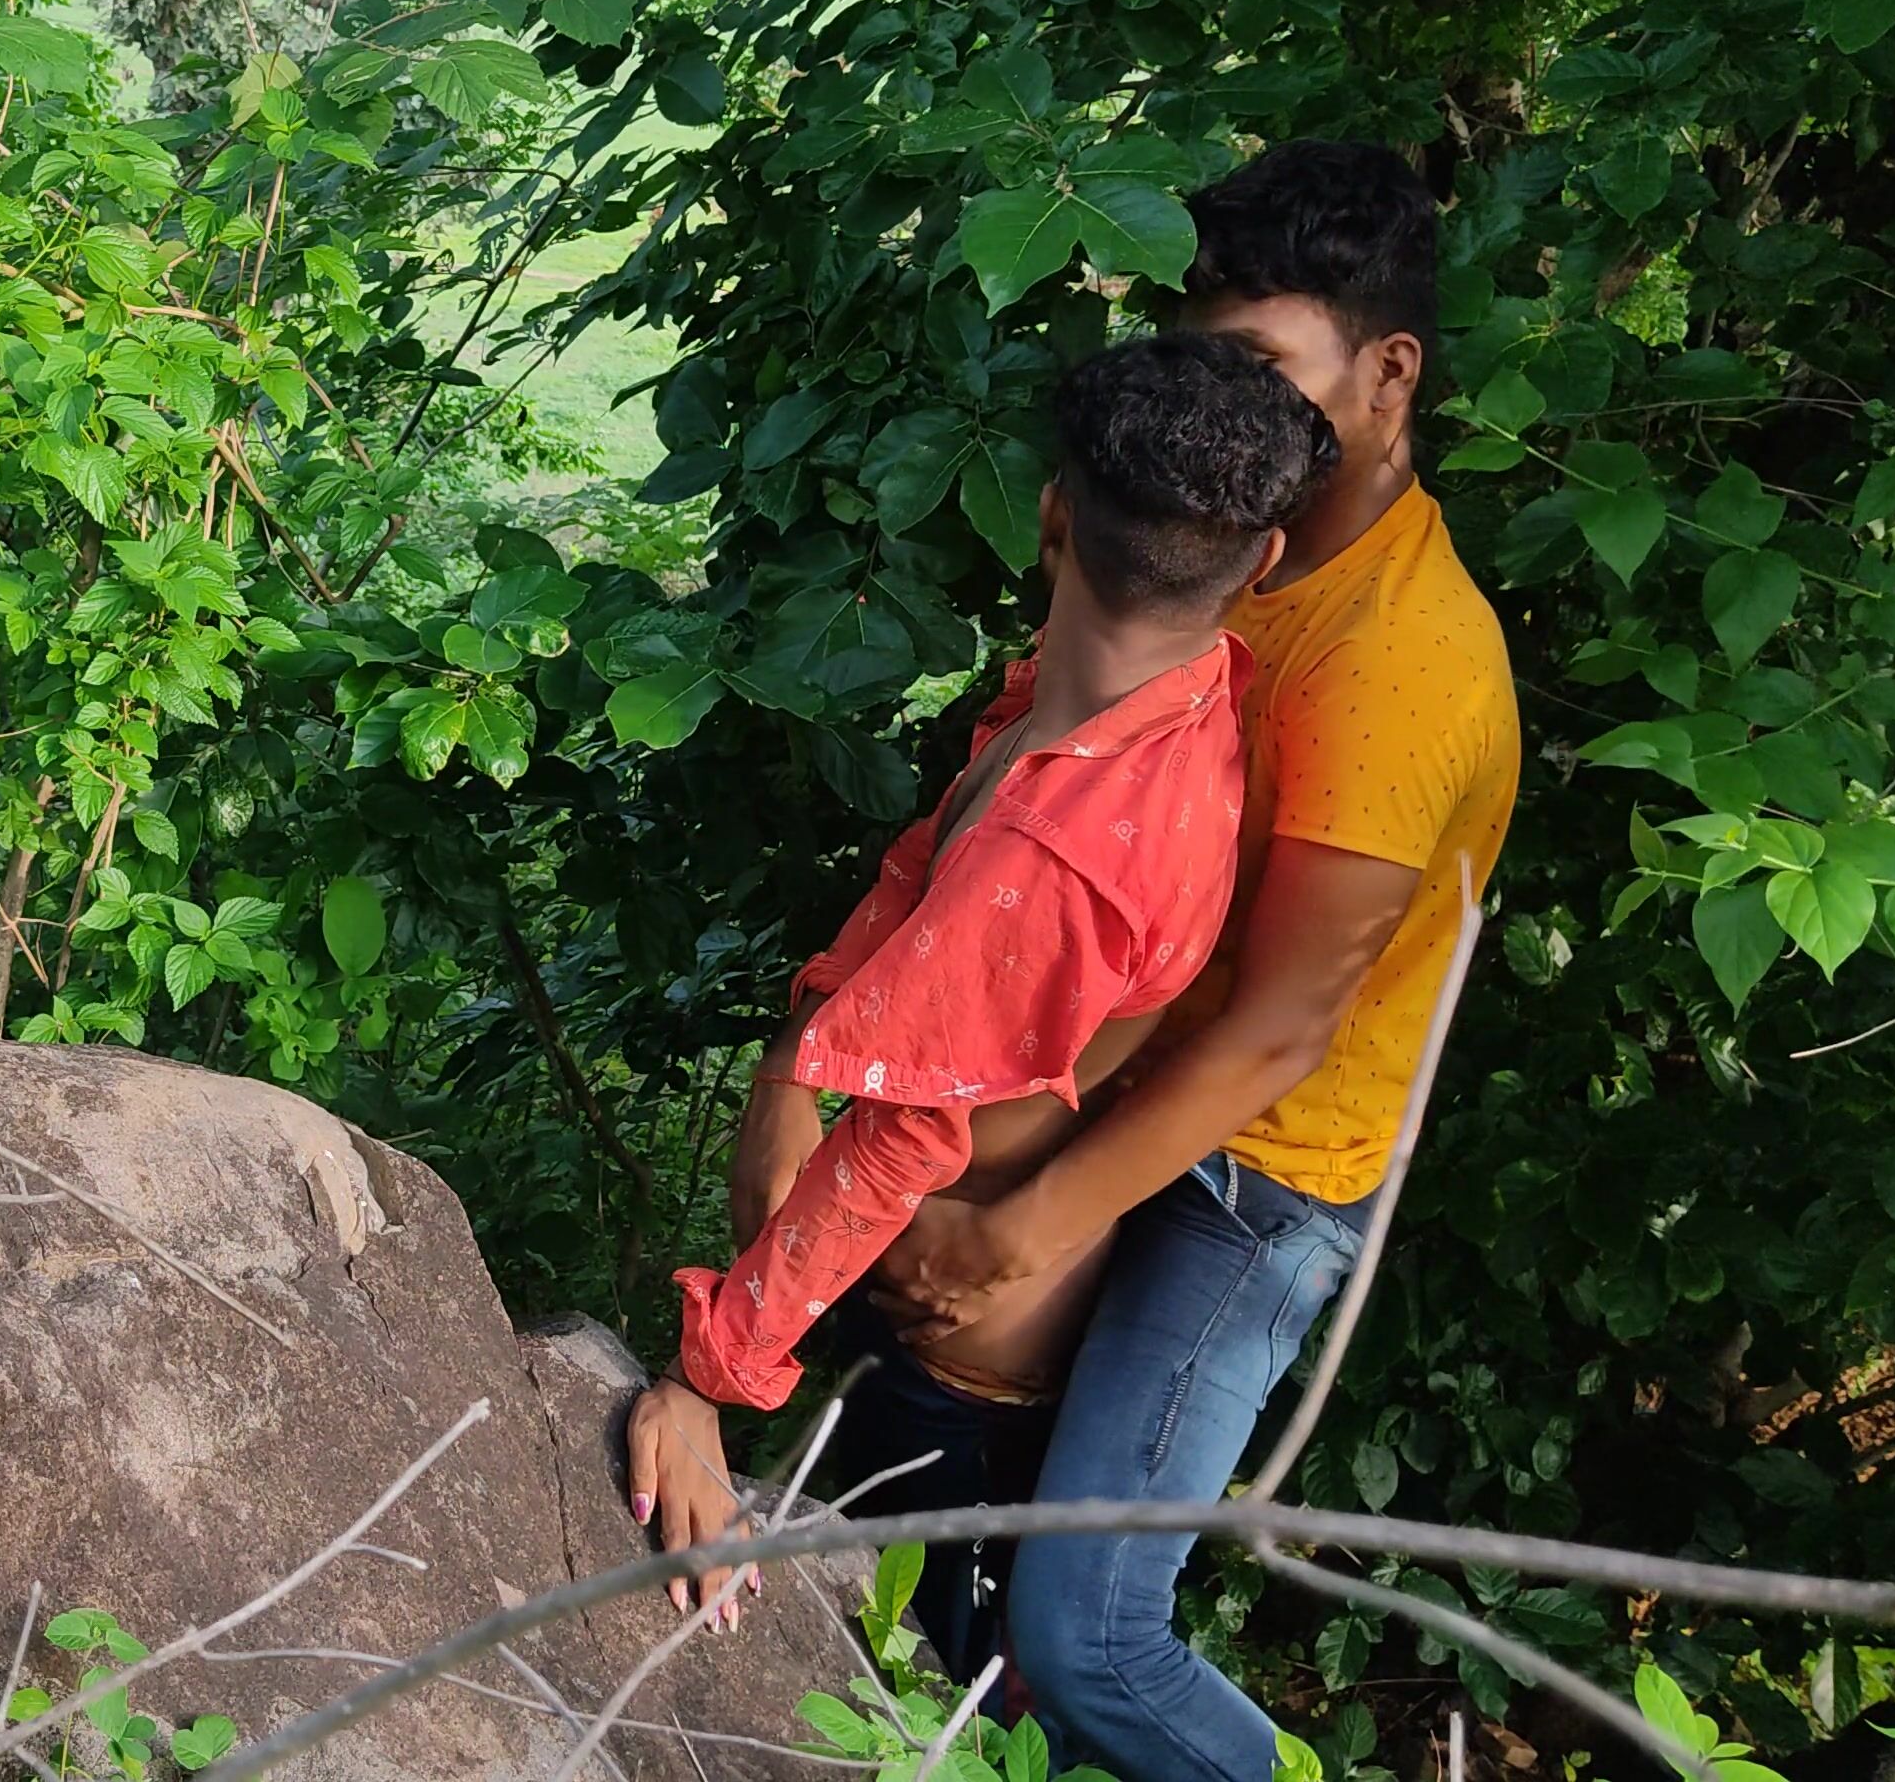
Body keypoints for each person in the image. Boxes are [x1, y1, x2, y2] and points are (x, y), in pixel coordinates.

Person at [758, 141, 1522, 1782]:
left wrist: (1022, 1222)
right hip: (1114, 1072)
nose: (1225, 405)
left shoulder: (1401, 663)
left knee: (1087, 1629)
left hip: (1255, 1170)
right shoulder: (1225, 539)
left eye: (1262, 369)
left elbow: (1277, 1033)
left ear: (1390, 372)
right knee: (918, 1484)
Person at [623, 334, 1343, 1628]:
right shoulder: (1159, 696)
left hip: (947, 1359)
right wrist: (798, 1056)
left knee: (908, 1686)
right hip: (927, 1294)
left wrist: (709, 1384)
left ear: (1054, 512)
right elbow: (923, 861)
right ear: (1263, 562)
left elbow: (903, 1143)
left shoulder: (1060, 849)